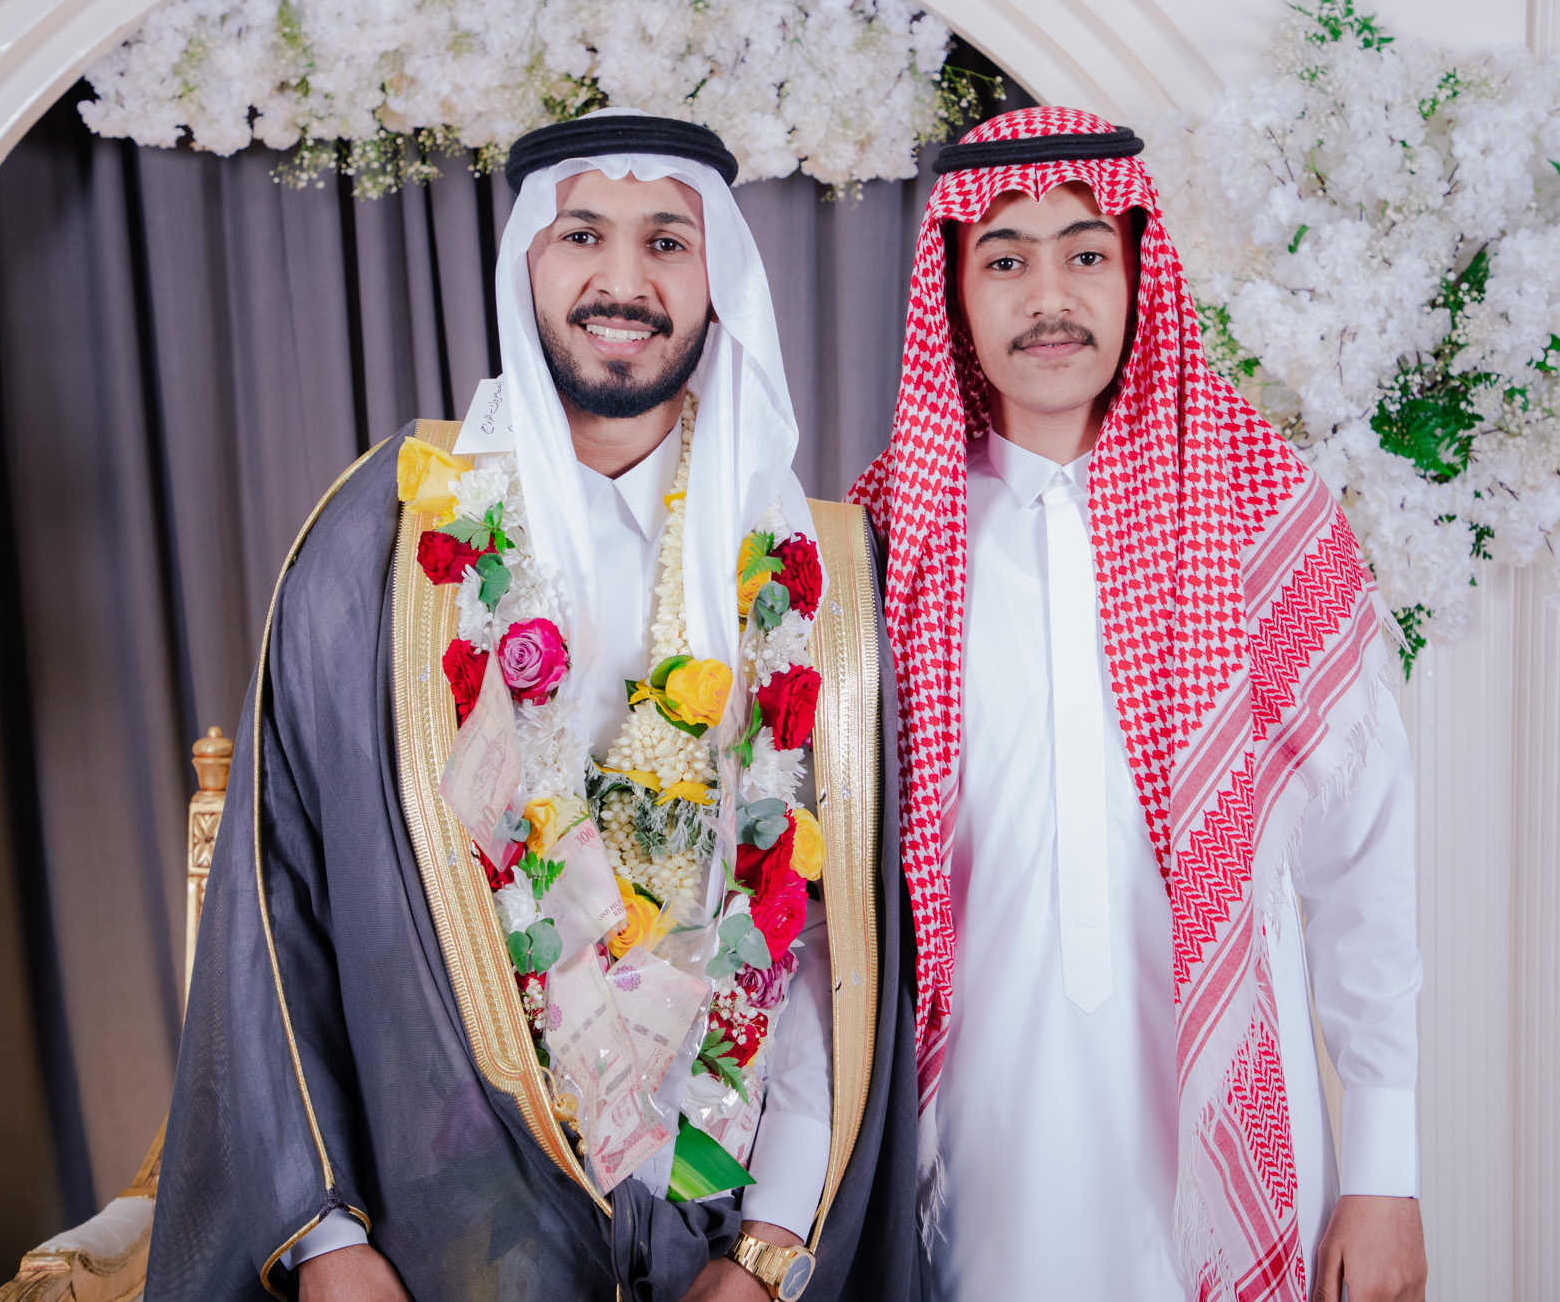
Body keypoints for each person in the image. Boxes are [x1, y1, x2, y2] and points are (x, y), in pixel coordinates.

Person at [148, 111, 918, 1302]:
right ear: (527, 263)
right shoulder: (387, 540)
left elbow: (822, 941)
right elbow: (279, 892)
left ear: (717, 277)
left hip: (714, 1238)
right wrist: (326, 1239)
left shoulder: (802, 568)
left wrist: (770, 1246)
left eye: (667, 241)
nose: (624, 281)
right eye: (583, 235)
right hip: (439, 1239)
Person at [848, 107, 1427, 1302]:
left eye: (1083, 253)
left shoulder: (1260, 521)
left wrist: (1385, 1169)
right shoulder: (886, 545)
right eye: (1004, 260)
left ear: (1135, 276)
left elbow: (1361, 870)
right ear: (954, 294)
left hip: (1227, 1153)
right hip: (976, 1158)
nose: (1047, 295)